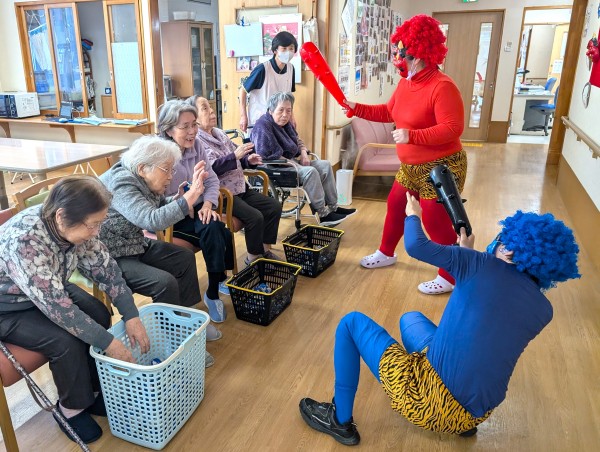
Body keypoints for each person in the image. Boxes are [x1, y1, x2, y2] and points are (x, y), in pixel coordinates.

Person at [299, 194, 580, 446]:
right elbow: (487, 304)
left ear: (508, 250)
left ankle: (339, 420)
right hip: (476, 414)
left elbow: (415, 245)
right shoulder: (544, 311)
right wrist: (467, 256)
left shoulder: (478, 265)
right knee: (411, 318)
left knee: (350, 323)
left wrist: (413, 215)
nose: (497, 241)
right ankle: (461, 426)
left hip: (426, 402)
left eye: (502, 238)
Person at [0, 176, 150, 444]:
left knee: (99, 314)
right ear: (61, 216)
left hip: (47, 287)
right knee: (65, 341)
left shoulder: (79, 226)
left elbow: (106, 270)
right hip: (7, 307)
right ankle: (70, 408)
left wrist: (131, 314)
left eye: (99, 223)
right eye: (93, 225)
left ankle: (91, 389)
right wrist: (110, 343)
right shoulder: (25, 240)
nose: (96, 232)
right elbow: (60, 311)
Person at [344, 14, 465, 295]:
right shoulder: (406, 83)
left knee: (433, 219)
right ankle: (386, 252)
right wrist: (355, 107)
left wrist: (413, 136)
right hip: (411, 165)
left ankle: (451, 274)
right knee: (396, 204)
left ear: (420, 55)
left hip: (442, 166)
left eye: (403, 55)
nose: (398, 60)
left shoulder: (442, 86)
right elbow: (389, 112)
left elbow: (453, 128)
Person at [99, 135, 222, 365]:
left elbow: (154, 207)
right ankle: (174, 345)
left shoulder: (140, 178)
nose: (171, 176)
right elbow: (151, 220)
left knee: (184, 257)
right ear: (143, 168)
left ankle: (187, 321)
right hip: (111, 255)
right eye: (167, 169)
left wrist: (178, 199)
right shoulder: (121, 183)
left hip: (133, 244)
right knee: (164, 282)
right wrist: (191, 197)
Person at [157, 100, 235, 324]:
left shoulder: (196, 146)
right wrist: (183, 201)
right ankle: (215, 286)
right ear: (169, 130)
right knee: (218, 231)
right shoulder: (159, 155)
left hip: (199, 207)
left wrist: (209, 204)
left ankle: (213, 291)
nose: (192, 131)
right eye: (185, 127)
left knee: (214, 226)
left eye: (194, 124)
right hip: (172, 214)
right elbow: (155, 199)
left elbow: (212, 180)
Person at [190, 95, 283, 265]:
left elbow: (237, 157)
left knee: (273, 206)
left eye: (210, 106)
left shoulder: (219, 133)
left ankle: (265, 250)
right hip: (223, 195)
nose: (211, 111)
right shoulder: (197, 141)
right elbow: (211, 169)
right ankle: (253, 259)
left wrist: (248, 160)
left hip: (240, 187)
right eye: (204, 108)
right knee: (255, 217)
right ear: (194, 118)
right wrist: (235, 156)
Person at [251, 92, 357, 227]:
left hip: (290, 163)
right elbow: (266, 154)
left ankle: (333, 207)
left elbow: (297, 140)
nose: (285, 114)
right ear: (271, 110)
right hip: (274, 167)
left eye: (289, 110)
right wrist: (295, 164)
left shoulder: (286, 124)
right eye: (281, 110)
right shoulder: (263, 126)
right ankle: (323, 214)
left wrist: (304, 153)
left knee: (325, 165)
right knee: (310, 172)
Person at [239, 31, 297, 132]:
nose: (288, 52)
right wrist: (243, 116)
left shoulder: (291, 69)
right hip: (260, 122)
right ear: (275, 50)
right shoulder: (262, 69)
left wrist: (291, 116)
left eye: (291, 48)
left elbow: (288, 97)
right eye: (284, 48)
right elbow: (243, 91)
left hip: (280, 121)